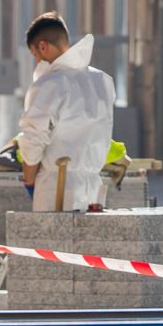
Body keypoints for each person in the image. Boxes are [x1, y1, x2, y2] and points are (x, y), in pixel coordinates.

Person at [15, 12, 116, 211]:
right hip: (93, 186)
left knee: (51, 242)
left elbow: (33, 138)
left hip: (56, 185)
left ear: (42, 46)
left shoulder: (49, 84)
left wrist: (28, 181)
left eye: (35, 55)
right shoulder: (102, 81)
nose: (37, 61)